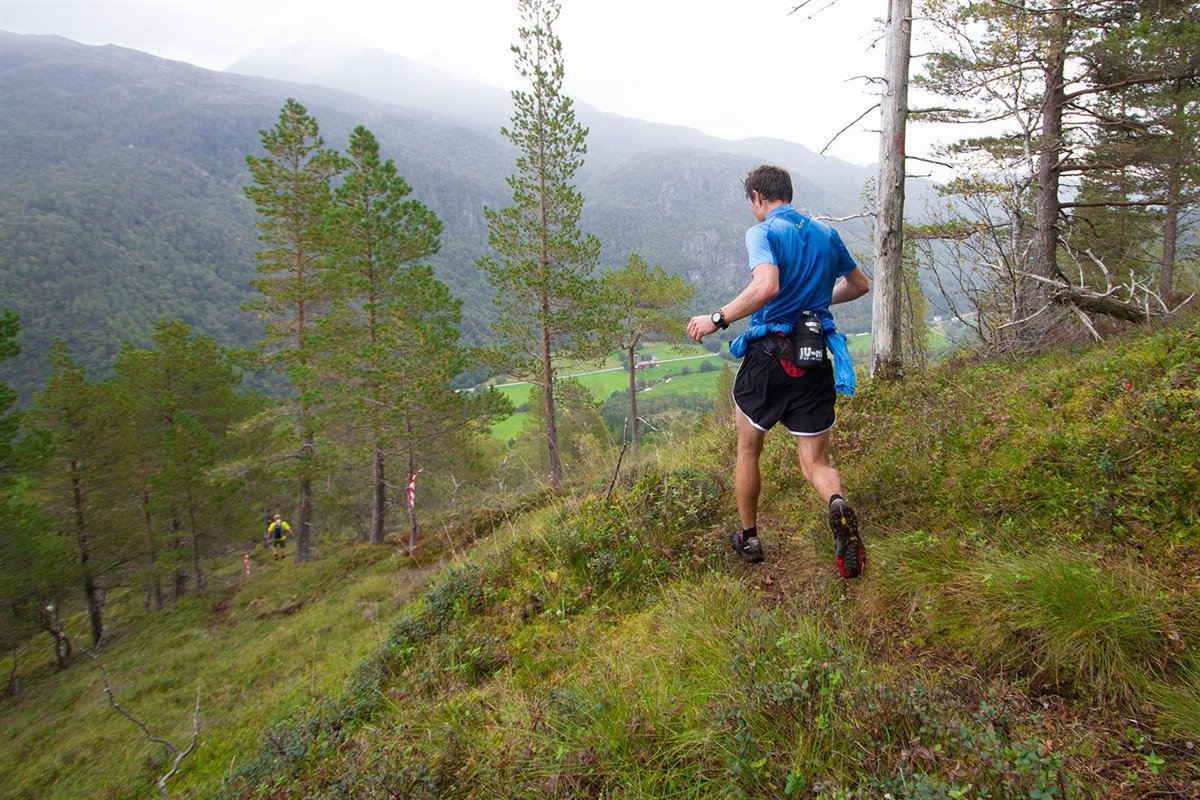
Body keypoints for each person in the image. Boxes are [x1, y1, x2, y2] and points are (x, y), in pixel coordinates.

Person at [686, 165, 871, 578]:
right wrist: (819, 302)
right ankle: (837, 504)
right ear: (788, 192)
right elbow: (860, 284)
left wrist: (717, 318)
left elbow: (766, 285)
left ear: (757, 197)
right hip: (814, 354)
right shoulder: (825, 234)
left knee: (749, 449)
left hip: (770, 356)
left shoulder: (764, 232)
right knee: (816, 462)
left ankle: (749, 536)